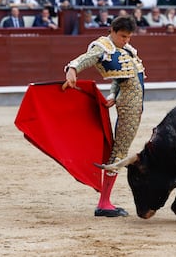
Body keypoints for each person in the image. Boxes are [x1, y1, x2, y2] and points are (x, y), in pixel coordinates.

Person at [63, 15, 145, 217]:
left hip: (130, 102)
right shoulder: (102, 47)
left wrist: (112, 95)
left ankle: (105, 200)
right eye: (123, 36)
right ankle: (104, 202)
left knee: (119, 150)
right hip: (129, 105)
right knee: (119, 152)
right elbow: (85, 58)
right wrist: (72, 69)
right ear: (112, 31)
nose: (126, 40)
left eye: (129, 37)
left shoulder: (124, 49)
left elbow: (121, 78)